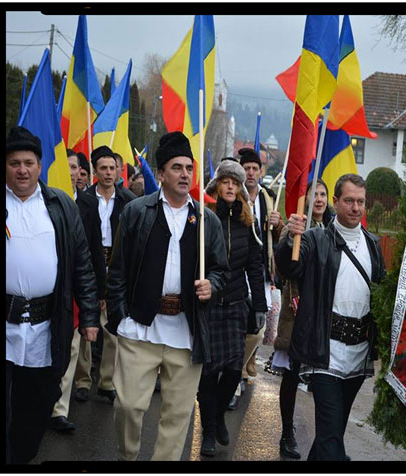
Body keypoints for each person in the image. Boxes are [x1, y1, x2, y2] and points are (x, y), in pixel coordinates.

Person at [106, 131, 229, 461]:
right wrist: (120, 318)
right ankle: (128, 458)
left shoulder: (207, 220)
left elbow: (221, 270)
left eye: (189, 167)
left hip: (186, 334)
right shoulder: (136, 212)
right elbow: (117, 270)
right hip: (140, 328)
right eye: (177, 167)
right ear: (160, 174)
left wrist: (212, 285)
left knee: (176, 420)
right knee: (129, 406)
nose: (185, 174)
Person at [5, 126, 100, 463]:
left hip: (46, 329)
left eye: (28, 162)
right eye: (14, 162)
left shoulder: (60, 205)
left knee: (36, 409)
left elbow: (82, 265)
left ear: (40, 166)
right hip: (1, 327)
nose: (22, 170)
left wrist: (89, 316)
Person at [276, 173, 385, 461]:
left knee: (332, 431)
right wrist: (290, 240)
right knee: (330, 435)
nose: (355, 207)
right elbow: (289, 268)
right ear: (335, 202)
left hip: (358, 353)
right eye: (349, 200)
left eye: (360, 201)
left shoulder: (373, 245)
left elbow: (382, 292)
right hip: (325, 353)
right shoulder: (314, 239)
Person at [197, 158, 267, 457]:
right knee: (208, 373)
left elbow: (255, 264)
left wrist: (260, 306)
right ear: (217, 185)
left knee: (233, 368)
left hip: (237, 303)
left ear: (240, 189)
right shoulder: (204, 217)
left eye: (235, 183)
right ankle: (209, 430)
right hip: (209, 305)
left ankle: (219, 415)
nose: (230, 186)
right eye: (226, 181)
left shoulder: (246, 222)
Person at [273, 179, 333, 459]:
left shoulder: (334, 230)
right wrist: (288, 239)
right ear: (305, 199)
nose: (319, 199)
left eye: (323, 194)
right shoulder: (295, 228)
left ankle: (326, 438)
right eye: (314, 194)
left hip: (325, 315)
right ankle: (287, 433)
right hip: (298, 313)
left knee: (323, 379)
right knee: (292, 375)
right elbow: (283, 267)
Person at [49, 148, 106, 432]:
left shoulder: (86, 204)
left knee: (71, 349)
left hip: (72, 288)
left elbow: (93, 250)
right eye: (66, 166)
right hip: (43, 289)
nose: (71, 172)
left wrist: (98, 292)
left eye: (75, 167)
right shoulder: (41, 203)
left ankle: (59, 409)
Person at [76, 146, 135, 404]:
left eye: (113, 168)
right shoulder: (85, 200)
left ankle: (107, 381)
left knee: (112, 329)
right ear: (95, 171)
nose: (109, 173)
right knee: (86, 331)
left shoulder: (128, 201)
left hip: (116, 267)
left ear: (118, 171)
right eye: (103, 168)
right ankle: (82, 380)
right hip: (90, 265)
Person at [231, 147, 284, 408]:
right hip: (235, 270)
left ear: (261, 172)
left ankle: (238, 368)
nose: (251, 173)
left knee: (258, 328)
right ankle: (236, 375)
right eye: (247, 168)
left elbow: (277, 233)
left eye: (255, 168)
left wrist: (278, 223)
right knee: (237, 324)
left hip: (260, 270)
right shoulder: (232, 196)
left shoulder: (269, 197)